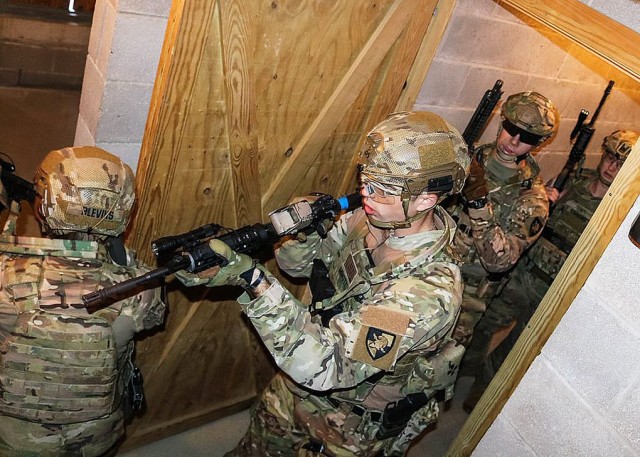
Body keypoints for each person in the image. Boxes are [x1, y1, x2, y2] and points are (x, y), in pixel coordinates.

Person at [176, 111, 471, 456]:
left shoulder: (425, 293)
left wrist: (252, 281)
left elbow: (332, 365)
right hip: (298, 381)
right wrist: (302, 234)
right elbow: (299, 268)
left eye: (381, 189)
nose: (364, 192)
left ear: (425, 200)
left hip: (348, 424)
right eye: (366, 179)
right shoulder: (369, 218)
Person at [0, 146, 167, 456]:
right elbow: (153, 317)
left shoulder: (5, 273)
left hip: (13, 437)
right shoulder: (141, 287)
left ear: (44, 207)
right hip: (96, 437)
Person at [463, 129, 639, 412]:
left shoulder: (620, 212)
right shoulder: (573, 182)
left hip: (554, 293)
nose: (611, 167)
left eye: (621, 164)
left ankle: (481, 396)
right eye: (609, 158)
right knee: (484, 326)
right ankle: (467, 371)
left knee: (514, 350)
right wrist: (546, 202)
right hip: (524, 276)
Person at [448, 91, 559, 378]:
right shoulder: (469, 156)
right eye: (512, 129)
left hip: (466, 295)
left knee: (434, 369)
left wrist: (478, 202)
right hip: (427, 263)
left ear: (539, 144)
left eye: (527, 138)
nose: (515, 141)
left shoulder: (532, 199)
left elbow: (500, 261)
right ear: (502, 122)